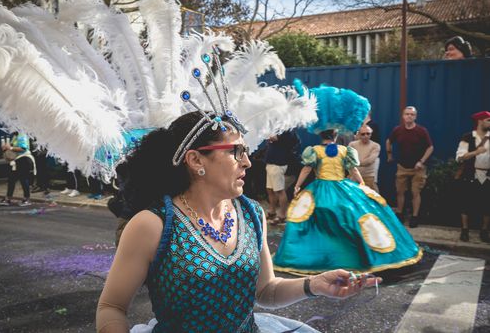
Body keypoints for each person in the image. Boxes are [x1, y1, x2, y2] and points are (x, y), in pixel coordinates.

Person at [96, 112, 381, 333]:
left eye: (246, 151)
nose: (247, 162)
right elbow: (111, 307)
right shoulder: (153, 224)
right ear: (196, 160)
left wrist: (314, 285)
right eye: (236, 151)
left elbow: (266, 290)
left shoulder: (252, 214)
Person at [273, 128, 422, 274]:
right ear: (335, 135)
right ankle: (352, 254)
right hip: (342, 187)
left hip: (321, 189)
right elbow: (353, 170)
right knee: (351, 215)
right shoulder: (344, 150)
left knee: (313, 219)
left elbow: (306, 169)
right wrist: (361, 184)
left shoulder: (315, 150)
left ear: (320, 135)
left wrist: (298, 185)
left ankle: (321, 254)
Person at [386, 106, 433, 228]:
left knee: (415, 192)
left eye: (412, 114)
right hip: (402, 167)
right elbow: (389, 141)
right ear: (403, 116)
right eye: (407, 114)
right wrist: (389, 154)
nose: (409, 116)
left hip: (418, 168)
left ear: (415, 116)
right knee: (400, 191)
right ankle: (400, 214)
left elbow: (430, 147)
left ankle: (415, 217)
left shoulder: (421, 131)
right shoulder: (398, 130)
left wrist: (421, 161)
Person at [455, 111, 490, 243]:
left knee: (487, 204)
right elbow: (460, 157)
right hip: (470, 174)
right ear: (480, 121)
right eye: (488, 120)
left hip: (487, 175)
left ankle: (484, 231)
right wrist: (476, 152)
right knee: (466, 203)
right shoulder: (468, 137)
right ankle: (465, 230)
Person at [264, 131, 298, 224]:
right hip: (271, 163)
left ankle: (282, 215)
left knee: (279, 191)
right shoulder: (279, 128)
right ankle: (272, 211)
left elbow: (274, 137)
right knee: (270, 190)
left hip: (278, 164)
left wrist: (267, 132)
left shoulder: (286, 130)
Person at [0, 132, 35, 206]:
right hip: (16, 160)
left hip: (24, 159)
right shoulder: (15, 136)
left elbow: (23, 148)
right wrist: (6, 148)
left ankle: (26, 199)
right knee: (11, 179)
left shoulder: (22, 135)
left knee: (23, 179)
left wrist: (10, 148)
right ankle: (8, 198)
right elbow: (11, 147)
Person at [349, 125, 380, 192]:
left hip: (368, 177)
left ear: (371, 134)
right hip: (354, 177)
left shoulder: (376, 146)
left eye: (368, 133)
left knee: (373, 198)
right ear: (359, 135)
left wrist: (355, 163)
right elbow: (349, 160)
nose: (366, 136)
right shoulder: (352, 144)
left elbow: (369, 161)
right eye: (363, 134)